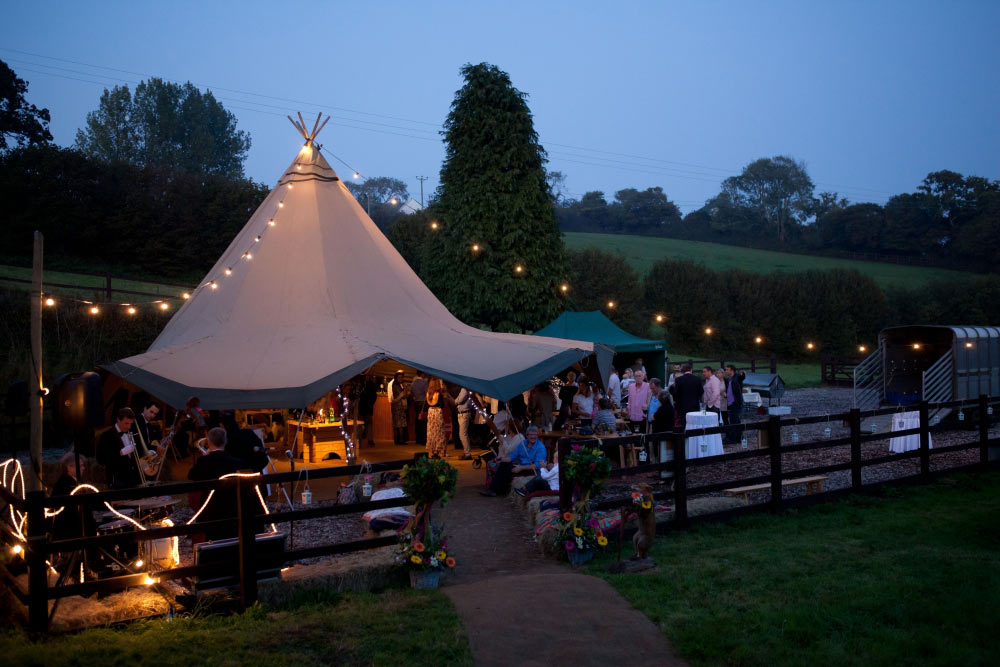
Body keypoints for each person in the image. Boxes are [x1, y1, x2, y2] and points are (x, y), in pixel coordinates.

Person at [187, 427, 246, 541]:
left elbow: (192, 475)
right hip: (233, 510)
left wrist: (204, 458)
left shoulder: (203, 461)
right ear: (226, 441)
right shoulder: (237, 462)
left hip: (210, 511)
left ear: (209, 442)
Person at [480, 425, 547, 497]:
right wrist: (502, 459)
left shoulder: (540, 447)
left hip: (531, 469)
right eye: (531, 434)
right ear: (527, 435)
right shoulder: (523, 443)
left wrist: (521, 468)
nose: (533, 437)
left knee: (507, 467)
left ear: (537, 435)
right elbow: (512, 456)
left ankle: (496, 490)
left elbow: (537, 466)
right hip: (520, 465)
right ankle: (495, 490)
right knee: (504, 463)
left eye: (535, 435)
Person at [96, 408, 144, 488]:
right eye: (126, 423)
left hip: (134, 479)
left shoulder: (132, 432)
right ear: (118, 420)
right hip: (117, 480)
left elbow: (139, 453)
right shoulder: (106, 435)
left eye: (131, 423)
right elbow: (101, 459)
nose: (129, 427)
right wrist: (121, 452)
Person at [424, 378, 452, 459]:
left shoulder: (428, 394)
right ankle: (437, 451)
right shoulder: (439, 394)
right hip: (437, 412)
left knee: (431, 432)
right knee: (439, 432)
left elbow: (426, 406)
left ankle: (432, 451)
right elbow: (443, 405)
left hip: (430, 412)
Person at [725, 365, 744, 444]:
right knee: (736, 421)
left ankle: (732, 440)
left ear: (732, 370)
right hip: (731, 403)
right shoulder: (731, 378)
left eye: (727, 370)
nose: (726, 371)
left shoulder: (736, 377)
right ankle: (739, 438)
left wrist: (742, 375)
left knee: (733, 421)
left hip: (735, 403)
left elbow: (741, 378)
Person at [389, 371, 410, 445]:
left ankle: (399, 440)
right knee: (399, 424)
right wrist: (405, 389)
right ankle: (399, 440)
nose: (401, 379)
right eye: (399, 377)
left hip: (400, 406)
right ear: (396, 378)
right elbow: (403, 395)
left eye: (402, 377)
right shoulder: (395, 386)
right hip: (397, 407)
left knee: (399, 424)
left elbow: (406, 395)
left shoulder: (399, 385)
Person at [455, 386, 474, 460]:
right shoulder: (466, 388)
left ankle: (467, 454)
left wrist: (454, 401)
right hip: (463, 413)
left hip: (464, 413)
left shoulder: (464, 389)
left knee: (462, 434)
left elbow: (459, 400)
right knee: (463, 434)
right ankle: (467, 452)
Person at [410, 371, 428, 446]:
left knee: (417, 421)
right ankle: (423, 440)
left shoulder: (413, 383)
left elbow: (412, 393)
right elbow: (427, 392)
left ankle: (418, 439)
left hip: (416, 402)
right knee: (423, 421)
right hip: (423, 402)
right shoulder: (424, 382)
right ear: (422, 374)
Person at [359, 378, 378, 447]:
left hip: (366, 406)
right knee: (361, 424)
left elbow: (374, 396)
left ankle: (368, 439)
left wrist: (371, 403)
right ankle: (361, 440)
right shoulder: (361, 383)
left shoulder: (369, 384)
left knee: (367, 423)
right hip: (362, 406)